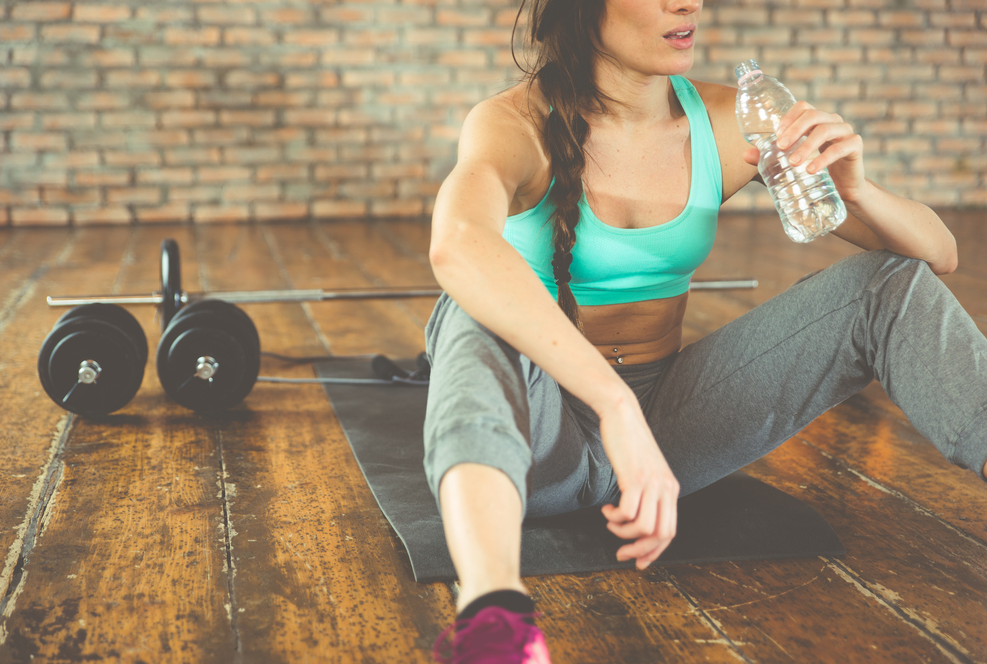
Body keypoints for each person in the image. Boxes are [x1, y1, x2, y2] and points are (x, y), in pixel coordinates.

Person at [423, 0, 987, 661]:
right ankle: (496, 623)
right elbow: (456, 243)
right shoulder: (513, 123)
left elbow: (936, 256)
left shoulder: (729, 121)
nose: (686, 2)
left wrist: (855, 191)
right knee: (468, 305)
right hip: (537, 435)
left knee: (884, 289)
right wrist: (612, 407)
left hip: (668, 432)